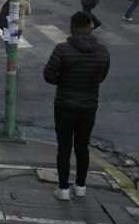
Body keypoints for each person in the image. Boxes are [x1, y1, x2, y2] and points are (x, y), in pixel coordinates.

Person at [43, 11, 110, 201]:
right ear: (90, 26)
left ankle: (63, 188)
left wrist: (64, 81)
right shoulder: (103, 51)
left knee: (64, 147)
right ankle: (81, 186)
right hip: (89, 105)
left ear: (72, 27)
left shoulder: (62, 49)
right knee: (83, 146)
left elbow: (48, 75)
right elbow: (102, 76)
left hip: (64, 104)